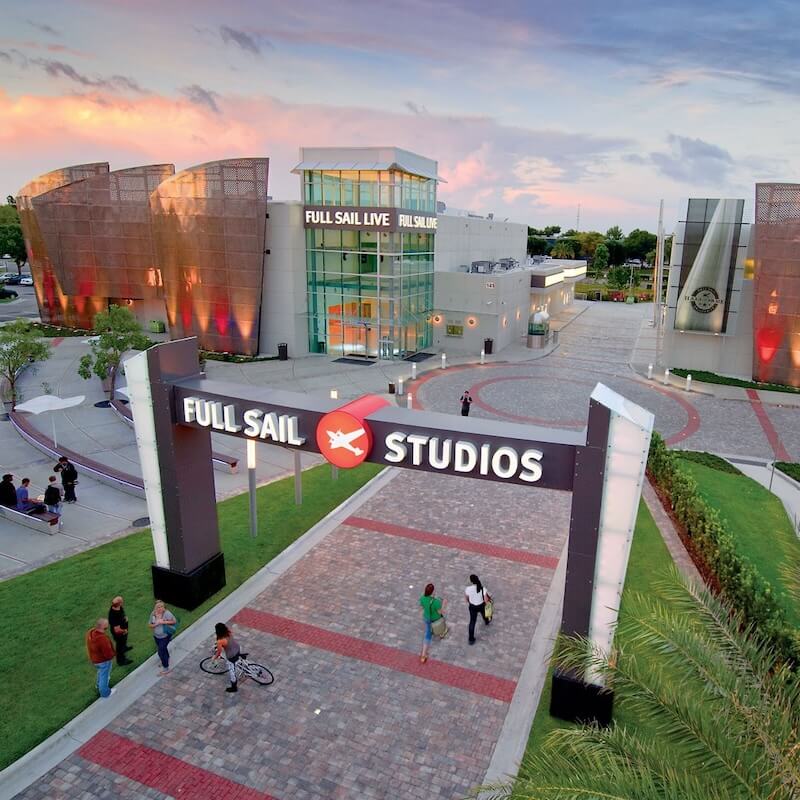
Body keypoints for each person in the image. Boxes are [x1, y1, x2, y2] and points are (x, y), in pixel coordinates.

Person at [86, 618, 116, 698]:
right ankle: (105, 693)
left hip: (95, 659)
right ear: (104, 627)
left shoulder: (90, 632)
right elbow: (108, 653)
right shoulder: (102, 639)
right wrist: (113, 655)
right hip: (103, 661)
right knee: (104, 676)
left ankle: (98, 685)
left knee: (100, 672)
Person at [418, 583, 445, 664]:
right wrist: (444, 604)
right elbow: (441, 612)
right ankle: (441, 634)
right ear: (432, 592)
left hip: (427, 618)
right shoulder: (437, 602)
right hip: (436, 619)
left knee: (427, 635)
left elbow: (422, 607)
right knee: (440, 625)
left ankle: (423, 655)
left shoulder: (422, 598)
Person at [149, 600, 177, 675]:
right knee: (163, 649)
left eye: (162, 606)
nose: (160, 608)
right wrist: (156, 624)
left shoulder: (167, 613)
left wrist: (164, 622)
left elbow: (174, 621)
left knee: (160, 652)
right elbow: (150, 625)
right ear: (155, 608)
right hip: (156, 636)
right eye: (158, 607)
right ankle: (166, 658)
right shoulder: (153, 614)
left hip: (165, 636)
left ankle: (166, 668)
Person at [214, 622, 242, 693]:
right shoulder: (228, 632)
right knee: (237, 659)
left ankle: (234, 687)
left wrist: (214, 658)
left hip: (231, 656)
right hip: (237, 648)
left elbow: (219, 652)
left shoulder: (220, 641)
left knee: (231, 671)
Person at [465, 573, 491, 645]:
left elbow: (466, 599)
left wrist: (471, 602)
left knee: (472, 622)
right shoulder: (483, 589)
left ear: (471, 581)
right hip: (481, 605)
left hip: (472, 607)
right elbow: (486, 601)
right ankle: (486, 621)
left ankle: (471, 639)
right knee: (484, 614)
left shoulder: (468, 589)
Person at [108, 596, 133, 666]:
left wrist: (125, 619)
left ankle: (124, 648)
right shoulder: (114, 615)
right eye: (122, 601)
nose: (123, 602)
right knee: (119, 646)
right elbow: (117, 630)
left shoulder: (119, 608)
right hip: (119, 633)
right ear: (119, 603)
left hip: (123, 629)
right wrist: (124, 630)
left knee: (123, 642)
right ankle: (121, 661)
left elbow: (122, 614)